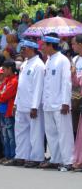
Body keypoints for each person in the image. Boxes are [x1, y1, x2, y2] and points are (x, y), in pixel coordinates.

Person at [7, 40, 45, 168]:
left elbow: (38, 87)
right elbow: (20, 87)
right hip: (21, 104)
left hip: (32, 106)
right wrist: (15, 104)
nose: (22, 51)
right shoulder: (24, 64)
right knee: (20, 132)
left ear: (32, 49)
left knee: (35, 133)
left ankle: (36, 157)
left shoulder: (38, 65)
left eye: (24, 48)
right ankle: (22, 156)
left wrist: (34, 106)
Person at [40, 33, 74, 171]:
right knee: (51, 133)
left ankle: (68, 161)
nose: (42, 47)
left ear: (50, 45)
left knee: (64, 133)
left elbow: (66, 82)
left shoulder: (63, 60)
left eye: (44, 45)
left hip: (60, 104)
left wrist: (65, 102)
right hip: (48, 104)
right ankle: (56, 159)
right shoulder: (48, 60)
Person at [0, 60, 18, 165]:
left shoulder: (14, 81)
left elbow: (4, 96)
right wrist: (0, 94)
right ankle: (6, 155)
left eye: (4, 69)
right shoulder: (6, 80)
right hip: (1, 111)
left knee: (11, 136)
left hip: (8, 111)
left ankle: (12, 156)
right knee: (4, 136)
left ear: (10, 69)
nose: (3, 71)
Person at [70, 35, 82, 170]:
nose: (72, 46)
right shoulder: (75, 60)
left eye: (74, 44)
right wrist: (73, 75)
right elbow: (73, 82)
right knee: (78, 130)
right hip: (76, 98)